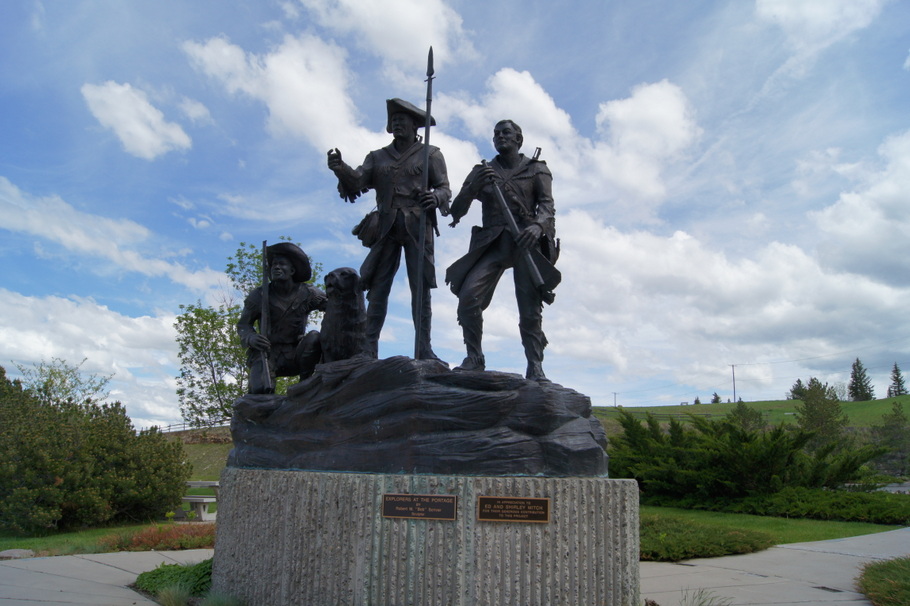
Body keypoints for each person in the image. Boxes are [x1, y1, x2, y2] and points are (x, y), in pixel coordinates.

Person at [327, 98, 451, 360]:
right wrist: (340, 169)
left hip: (417, 226)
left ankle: (424, 348)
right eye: (394, 120)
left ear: (415, 125)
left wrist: (436, 198)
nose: (397, 123)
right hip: (386, 227)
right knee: (378, 288)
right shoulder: (377, 157)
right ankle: (368, 347)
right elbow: (358, 180)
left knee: (421, 290)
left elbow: (444, 188)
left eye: (402, 119)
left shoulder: (431, 154)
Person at [446, 120, 559, 381]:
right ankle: (474, 358)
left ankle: (535, 365)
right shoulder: (482, 171)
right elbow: (456, 211)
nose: (499, 137)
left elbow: (547, 206)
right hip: (492, 243)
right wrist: (474, 187)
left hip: (525, 243)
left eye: (506, 132)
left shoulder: (537, 169)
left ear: (519, 138)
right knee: (468, 298)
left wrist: (538, 227)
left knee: (530, 310)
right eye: (496, 133)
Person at [237, 242, 327, 394]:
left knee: (313, 337)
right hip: (267, 353)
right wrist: (251, 338)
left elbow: (332, 305)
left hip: (296, 354)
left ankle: (304, 388)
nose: (276, 267)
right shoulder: (258, 295)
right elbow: (243, 325)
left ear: (292, 270)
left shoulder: (308, 292)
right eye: (273, 265)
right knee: (260, 391)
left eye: (282, 264)